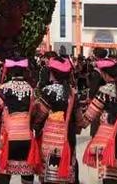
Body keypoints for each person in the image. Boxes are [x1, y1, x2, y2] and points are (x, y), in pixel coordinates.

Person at [0, 57, 38, 184]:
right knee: (27, 171)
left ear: (9, 71)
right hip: (26, 135)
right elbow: (35, 110)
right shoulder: (31, 89)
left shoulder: (4, 89)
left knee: (3, 173)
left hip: (7, 136)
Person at [33, 56, 81, 184]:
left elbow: (40, 116)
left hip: (50, 139)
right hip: (68, 136)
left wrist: (35, 128)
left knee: (50, 170)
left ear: (52, 74)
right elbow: (79, 119)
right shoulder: (73, 93)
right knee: (68, 165)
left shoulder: (46, 92)